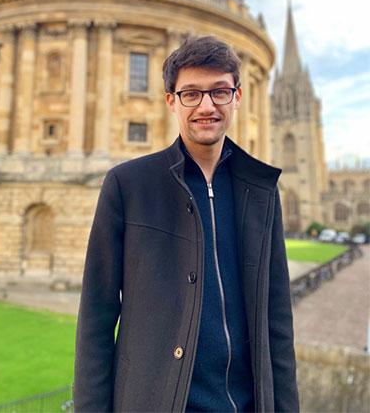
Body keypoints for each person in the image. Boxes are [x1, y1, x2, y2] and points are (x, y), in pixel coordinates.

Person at [74, 36, 299, 413]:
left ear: (238, 97)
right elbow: (96, 319)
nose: (206, 106)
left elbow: (277, 321)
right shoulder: (128, 186)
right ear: (171, 102)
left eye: (219, 92)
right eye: (191, 94)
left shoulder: (261, 192)